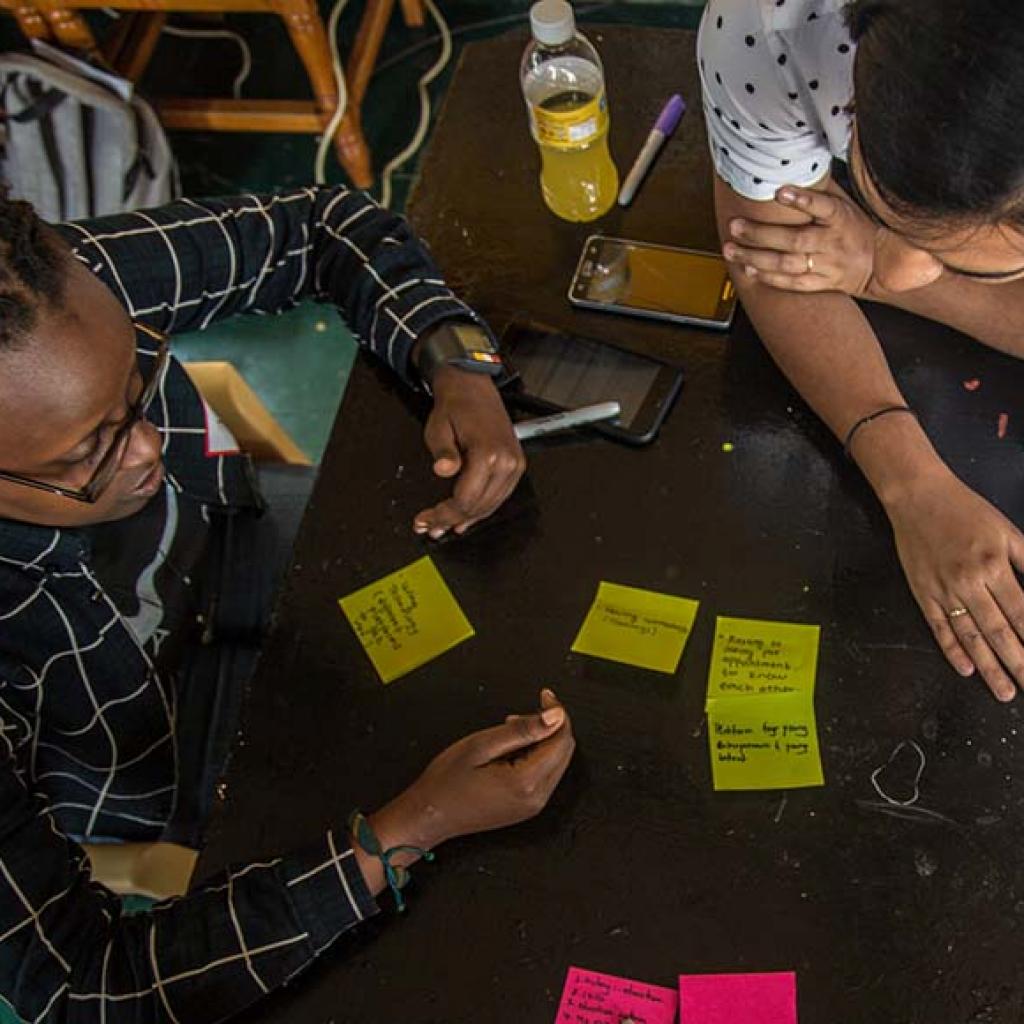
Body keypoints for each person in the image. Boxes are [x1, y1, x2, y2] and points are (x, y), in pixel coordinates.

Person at [0, 186, 576, 1021]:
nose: (149, 447)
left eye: (139, 382)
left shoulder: (44, 294)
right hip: (165, 784)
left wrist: (455, 361)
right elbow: (87, 987)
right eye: (89, 452)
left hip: (260, 572)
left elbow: (319, 222)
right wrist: (402, 833)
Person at [698, 0, 1024, 702]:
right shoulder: (765, 24)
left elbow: (865, 267)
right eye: (885, 204)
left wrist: (874, 266)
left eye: (962, 255)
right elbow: (771, 253)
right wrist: (911, 481)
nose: (908, 269)